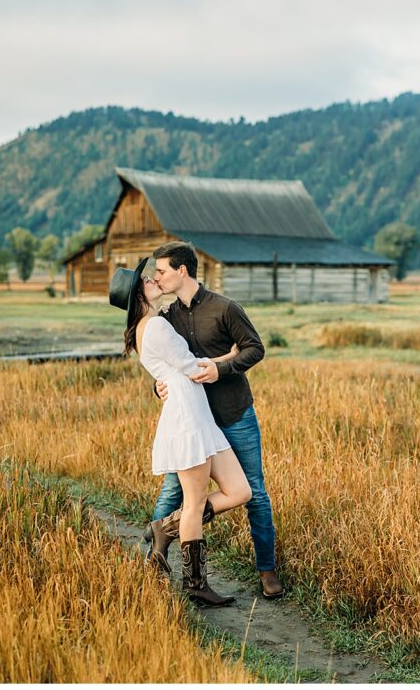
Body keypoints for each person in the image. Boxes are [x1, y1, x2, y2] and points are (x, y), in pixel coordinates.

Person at [145, 240, 284, 599]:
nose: (156, 278)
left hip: (233, 413)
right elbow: (165, 365)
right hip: (192, 420)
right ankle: (152, 555)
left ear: (182, 271)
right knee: (173, 490)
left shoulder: (225, 308)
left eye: (161, 271)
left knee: (254, 492)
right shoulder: (166, 318)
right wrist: (157, 387)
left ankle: (266, 570)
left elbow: (255, 348)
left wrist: (222, 369)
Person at [111, 257, 251, 606]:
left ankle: (163, 527)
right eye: (147, 280)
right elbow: (190, 368)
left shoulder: (151, 325)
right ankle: (196, 584)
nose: (153, 280)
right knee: (193, 505)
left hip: (196, 412)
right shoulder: (155, 327)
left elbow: (175, 369)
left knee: (240, 490)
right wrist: (227, 357)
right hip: (187, 415)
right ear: (138, 296)